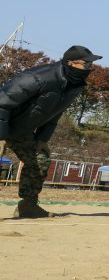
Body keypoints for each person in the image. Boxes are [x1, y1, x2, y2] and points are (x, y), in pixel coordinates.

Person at [0, 45, 102, 218]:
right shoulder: (37, 78)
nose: (89, 69)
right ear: (71, 63)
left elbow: (55, 113)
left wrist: (42, 139)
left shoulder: (74, 87)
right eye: (85, 64)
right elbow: (2, 103)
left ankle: (28, 206)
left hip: (20, 130)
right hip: (2, 124)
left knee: (40, 162)